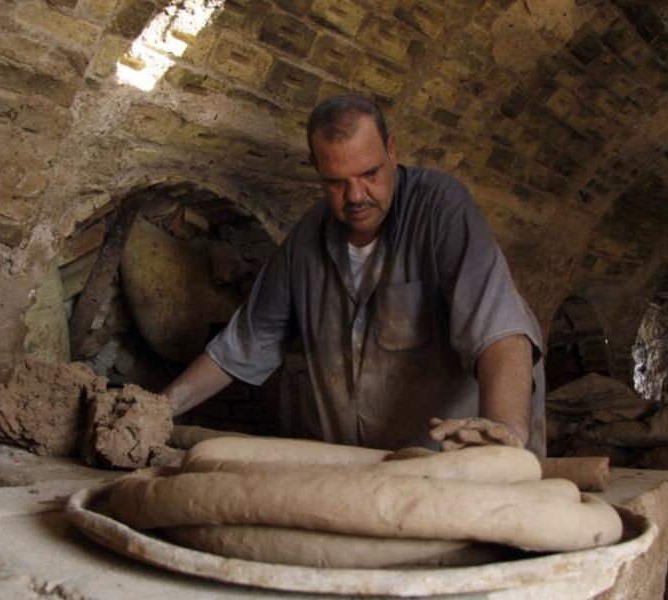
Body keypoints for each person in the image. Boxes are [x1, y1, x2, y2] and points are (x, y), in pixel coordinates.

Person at [165, 94, 546, 455]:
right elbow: (242, 344)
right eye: (336, 182)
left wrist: (503, 432)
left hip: (447, 463)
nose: (356, 196)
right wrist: (159, 407)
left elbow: (500, 333)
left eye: (369, 173)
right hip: (359, 471)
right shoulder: (305, 243)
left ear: (392, 150)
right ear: (315, 168)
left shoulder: (440, 210)